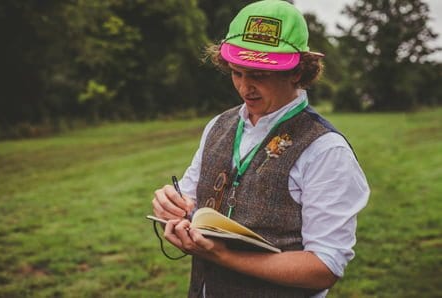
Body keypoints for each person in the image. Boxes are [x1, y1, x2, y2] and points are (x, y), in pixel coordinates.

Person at [149, 1, 369, 297]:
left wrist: (224, 256)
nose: (244, 87)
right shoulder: (218, 125)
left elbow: (324, 267)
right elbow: (189, 200)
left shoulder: (326, 149)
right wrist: (171, 207)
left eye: (259, 75)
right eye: (237, 73)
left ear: (297, 71)